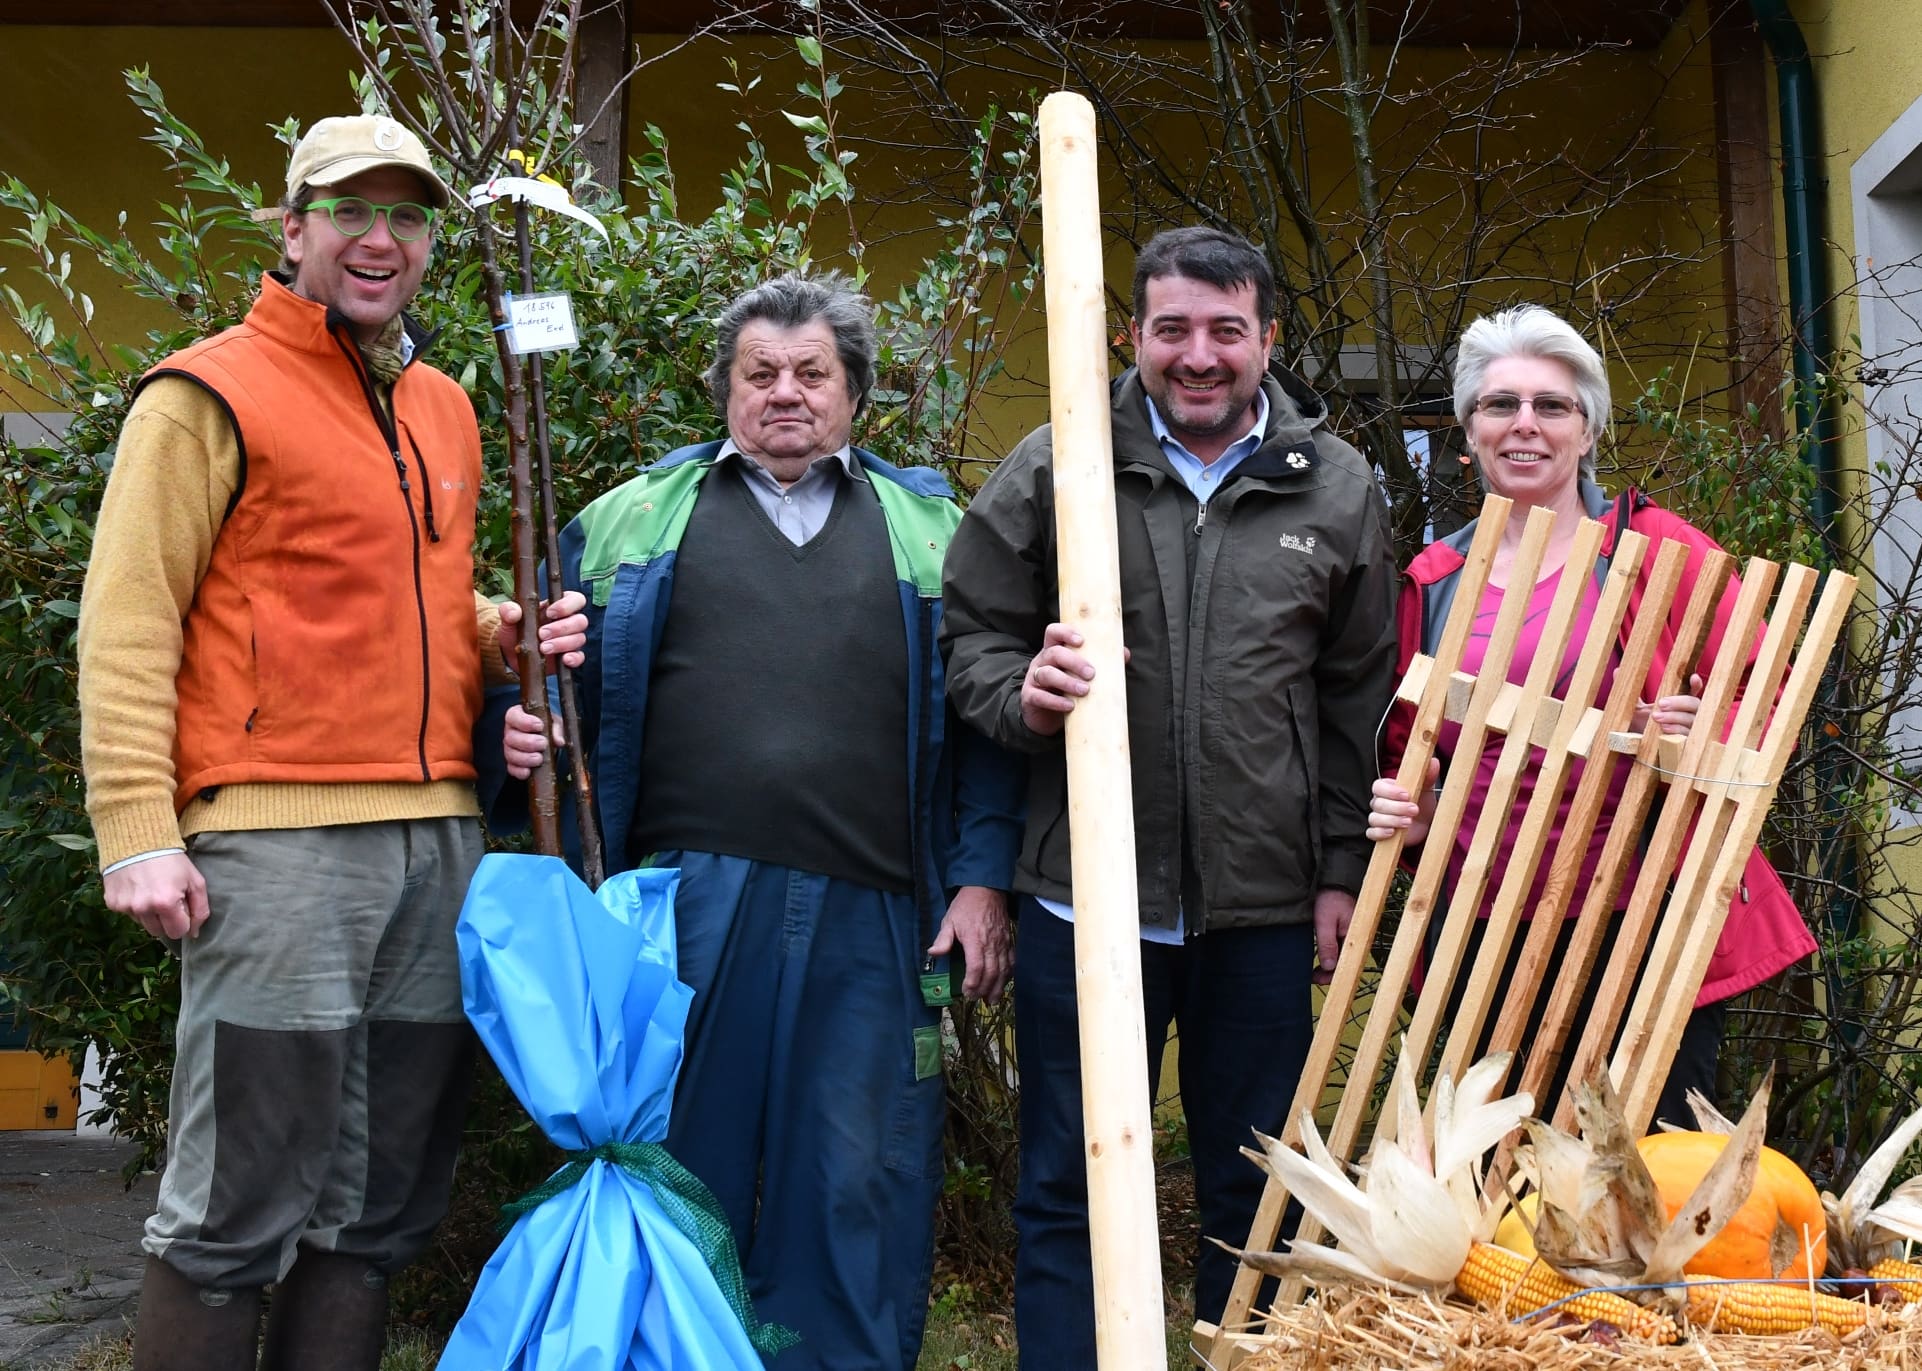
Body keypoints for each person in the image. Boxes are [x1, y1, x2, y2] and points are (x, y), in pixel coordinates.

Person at [77, 114, 586, 1371]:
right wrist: (135, 832)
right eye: (350, 212)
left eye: (407, 217)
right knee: (239, 1202)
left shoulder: (446, 407)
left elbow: (402, 603)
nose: (380, 239)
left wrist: (499, 630)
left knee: (379, 1208)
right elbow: (130, 615)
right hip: (277, 843)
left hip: (438, 842)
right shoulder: (207, 393)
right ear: (291, 229)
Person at [496, 271, 1022, 1371]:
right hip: (686, 904)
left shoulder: (932, 527)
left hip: (878, 911)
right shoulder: (633, 516)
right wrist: (520, 726)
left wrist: (979, 881)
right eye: (759, 373)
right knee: (686, 1158)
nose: (785, 393)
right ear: (725, 390)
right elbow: (540, 685)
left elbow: (985, 727)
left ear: (853, 393)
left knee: (859, 1176)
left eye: (810, 373)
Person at [938, 225, 1399, 1359]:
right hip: (1080, 902)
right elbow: (970, 638)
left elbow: (1356, 705)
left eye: (1225, 331)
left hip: (1259, 907)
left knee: (1257, 1191)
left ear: (1267, 341)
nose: (1199, 355)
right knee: (1068, 1180)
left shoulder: (1335, 489)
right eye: (1173, 329)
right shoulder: (1059, 464)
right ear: (1129, 335)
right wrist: (1022, 690)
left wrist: (1338, 870)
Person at [1364, 303, 1817, 1124]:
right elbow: (1414, 753)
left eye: (1552, 405)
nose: (1525, 424)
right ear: (1468, 432)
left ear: (1588, 431)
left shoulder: (1656, 550)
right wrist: (1414, 808)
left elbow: (1768, 698)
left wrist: (1704, 725)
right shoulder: (1434, 581)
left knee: (1647, 1180)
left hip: (1635, 924)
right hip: (1483, 926)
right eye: (1500, 405)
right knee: (1503, 1193)